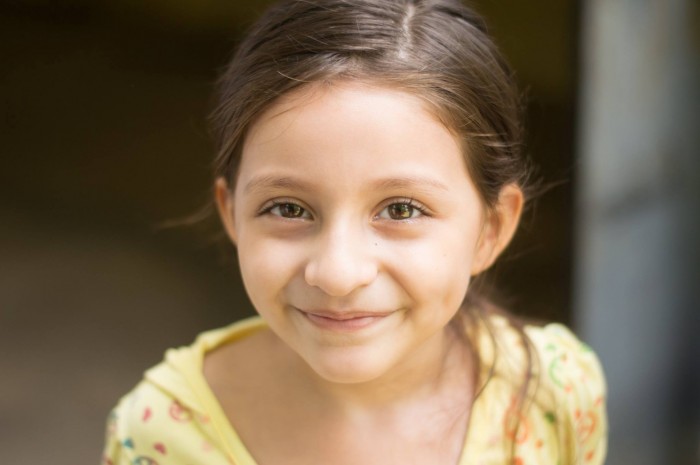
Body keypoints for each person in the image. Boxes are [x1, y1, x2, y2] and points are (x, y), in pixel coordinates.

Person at [101, 0, 607, 464]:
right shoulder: (160, 434)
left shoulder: (554, 392)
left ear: (491, 229)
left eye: (403, 209)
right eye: (288, 208)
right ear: (231, 213)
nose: (339, 273)